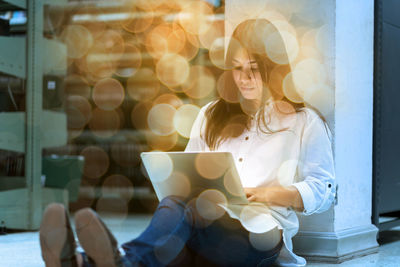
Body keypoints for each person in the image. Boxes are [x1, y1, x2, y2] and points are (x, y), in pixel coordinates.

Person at [39, 18, 335, 267]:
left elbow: (324, 189)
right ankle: (85, 263)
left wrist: (268, 194)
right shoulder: (211, 115)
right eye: (236, 68)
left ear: (274, 66)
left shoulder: (304, 121)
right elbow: (189, 171)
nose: (243, 79)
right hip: (204, 230)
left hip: (261, 238)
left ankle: (110, 262)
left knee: (187, 215)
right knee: (177, 204)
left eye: (253, 68)